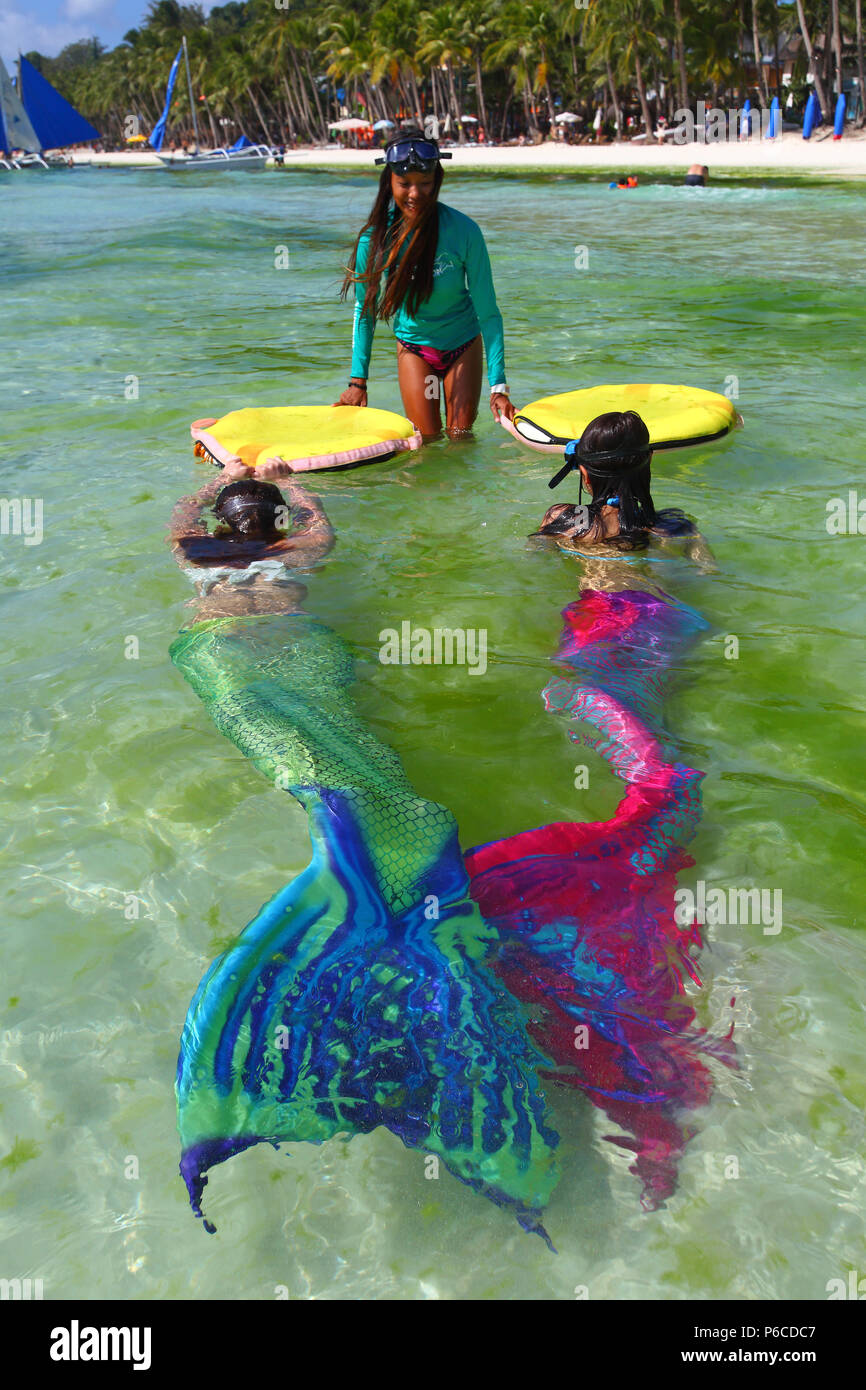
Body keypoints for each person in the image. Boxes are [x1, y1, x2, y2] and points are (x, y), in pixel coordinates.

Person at [336, 126, 515, 439]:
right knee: (427, 442)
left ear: (438, 182)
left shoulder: (464, 231)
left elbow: (488, 311)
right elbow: (364, 313)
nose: (415, 194)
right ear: (389, 181)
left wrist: (498, 386)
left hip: (463, 344)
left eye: (425, 184)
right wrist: (357, 383)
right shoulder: (375, 240)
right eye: (404, 184)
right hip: (415, 348)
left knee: (461, 437)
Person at [530, 410, 714, 573]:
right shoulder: (677, 528)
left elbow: (535, 561)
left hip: (596, 610)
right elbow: (709, 572)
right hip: (660, 607)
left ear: (584, 474)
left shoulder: (564, 520)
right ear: (649, 461)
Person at [168, 467, 334, 622]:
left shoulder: (196, 548)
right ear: (282, 517)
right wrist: (285, 479)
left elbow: (187, 507)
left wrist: (223, 477)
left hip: (216, 628)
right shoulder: (303, 547)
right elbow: (312, 511)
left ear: (220, 518)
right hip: (289, 622)